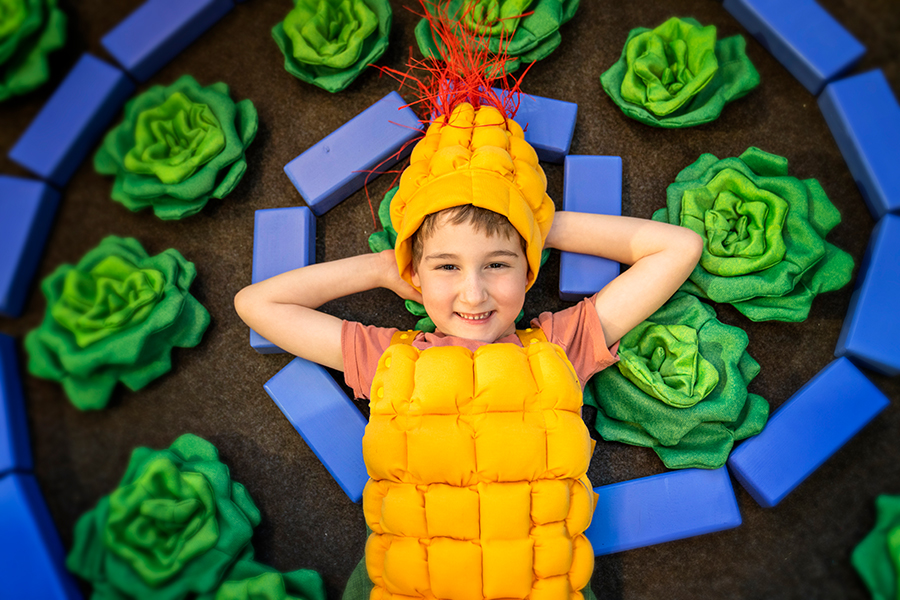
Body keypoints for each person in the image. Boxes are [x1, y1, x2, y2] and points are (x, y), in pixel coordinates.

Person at [235, 97, 702, 600]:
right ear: (416, 271)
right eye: (446, 266)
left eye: (498, 264)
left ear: (529, 268)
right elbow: (258, 303)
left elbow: (677, 249)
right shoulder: (386, 359)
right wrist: (380, 270)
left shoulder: (562, 346)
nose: (473, 293)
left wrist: (536, 224)